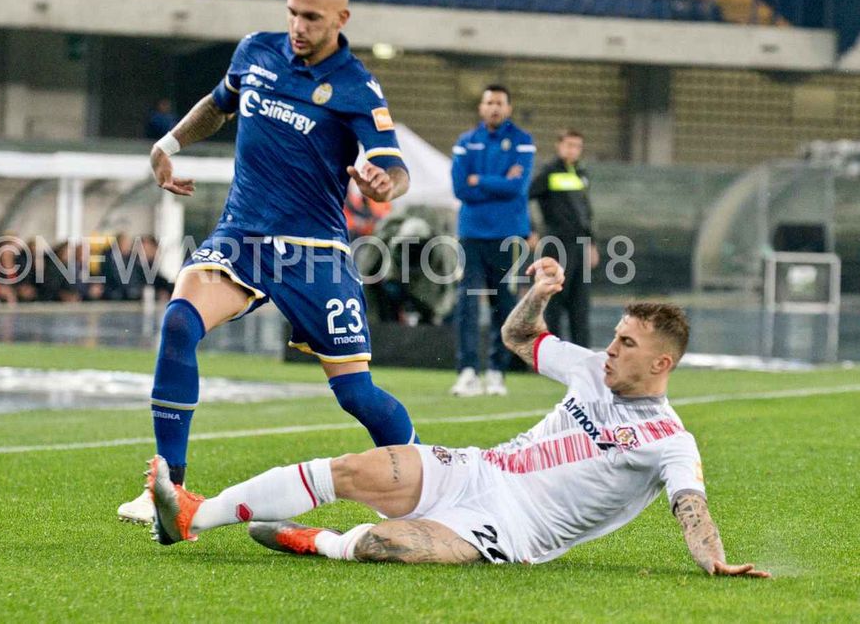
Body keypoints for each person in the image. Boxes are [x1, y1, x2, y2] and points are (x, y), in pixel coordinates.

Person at [145, 257, 771, 580]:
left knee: (391, 545)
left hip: (512, 529)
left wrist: (712, 560)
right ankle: (194, 515)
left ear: (661, 363)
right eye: (614, 336)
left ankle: (319, 542)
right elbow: (519, 337)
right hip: (477, 469)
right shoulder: (590, 368)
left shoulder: (670, 442)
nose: (610, 349)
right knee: (354, 468)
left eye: (626, 344)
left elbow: (691, 508)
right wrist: (538, 296)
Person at [118, 0, 419, 526]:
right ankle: (168, 489)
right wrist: (168, 144)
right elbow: (218, 104)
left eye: (312, 18)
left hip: (315, 251)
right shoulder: (255, 51)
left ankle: (432, 484)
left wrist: (386, 184)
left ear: (341, 18)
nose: (298, 26)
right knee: (179, 321)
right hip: (243, 237)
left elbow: (393, 166)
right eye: (292, 13)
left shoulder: (356, 86)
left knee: (356, 394)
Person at [449, 85, 535, 397]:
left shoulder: (523, 141)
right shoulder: (465, 142)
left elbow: (517, 187)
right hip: (471, 234)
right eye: (489, 102)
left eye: (499, 103)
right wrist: (498, 182)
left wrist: (480, 180)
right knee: (467, 304)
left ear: (508, 108)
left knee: (505, 304)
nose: (494, 107)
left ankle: (497, 372)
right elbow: (460, 188)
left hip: (508, 235)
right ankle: (468, 371)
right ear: (481, 107)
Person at [530, 129, 597, 347]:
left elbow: (586, 212)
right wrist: (530, 230)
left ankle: (583, 354)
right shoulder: (549, 173)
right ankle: (553, 353)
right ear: (559, 146)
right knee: (554, 302)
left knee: (580, 304)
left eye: (577, 146)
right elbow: (524, 198)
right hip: (557, 244)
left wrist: (592, 243)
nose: (573, 150)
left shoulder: (581, 174)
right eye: (569, 145)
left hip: (580, 245)